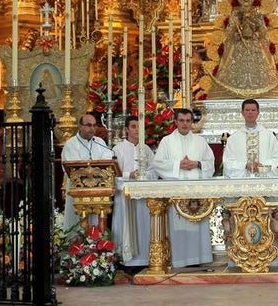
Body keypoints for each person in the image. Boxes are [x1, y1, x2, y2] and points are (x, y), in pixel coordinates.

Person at [152, 109, 215, 268]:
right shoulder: (167, 141)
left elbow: (210, 162)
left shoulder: (200, 141)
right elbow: (158, 164)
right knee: (178, 226)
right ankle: (179, 259)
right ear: (175, 122)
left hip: (196, 190)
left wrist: (197, 164)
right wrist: (178, 165)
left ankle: (197, 259)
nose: (185, 124)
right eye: (182, 120)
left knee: (196, 225)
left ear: (192, 122)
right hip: (176, 190)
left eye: (188, 121)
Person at [112, 116, 157, 267]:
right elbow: (112, 173)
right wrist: (129, 175)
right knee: (125, 225)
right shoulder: (118, 149)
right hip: (124, 195)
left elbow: (154, 170)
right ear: (126, 129)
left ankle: (145, 259)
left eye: (139, 127)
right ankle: (125, 260)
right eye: (133, 126)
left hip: (144, 196)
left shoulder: (146, 149)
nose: (137, 130)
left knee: (143, 225)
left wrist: (144, 175)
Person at [60, 113, 116, 231]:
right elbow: (71, 166)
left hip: (98, 189)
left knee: (96, 220)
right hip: (78, 189)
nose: (92, 128)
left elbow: (108, 157)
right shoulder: (71, 144)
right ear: (80, 126)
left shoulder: (99, 142)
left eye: (94, 125)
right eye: (89, 125)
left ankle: (98, 241)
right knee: (76, 223)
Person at [222, 100, 278, 179]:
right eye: (247, 110)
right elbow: (228, 162)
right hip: (241, 182)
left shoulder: (269, 136)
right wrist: (244, 165)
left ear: (258, 112)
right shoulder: (233, 138)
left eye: (253, 110)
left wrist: (262, 166)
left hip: (264, 180)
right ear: (242, 113)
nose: (250, 112)